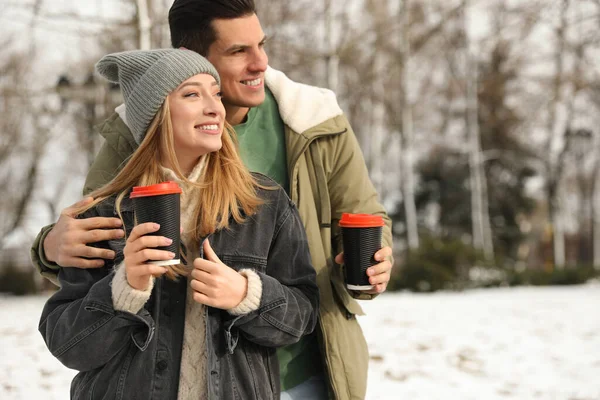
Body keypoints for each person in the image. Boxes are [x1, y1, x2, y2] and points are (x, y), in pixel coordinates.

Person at [31, 1, 394, 398]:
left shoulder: (308, 124)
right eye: (238, 51)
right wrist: (57, 250)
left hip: (291, 369)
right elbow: (91, 232)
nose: (261, 63)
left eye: (261, 44)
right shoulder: (131, 136)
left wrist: (374, 262)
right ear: (188, 57)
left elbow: (362, 220)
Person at [39, 48, 319, 400]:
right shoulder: (103, 215)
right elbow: (68, 346)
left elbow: (302, 316)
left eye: (215, 93)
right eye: (192, 94)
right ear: (156, 114)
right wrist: (124, 289)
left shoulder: (263, 203)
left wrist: (247, 295)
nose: (215, 107)